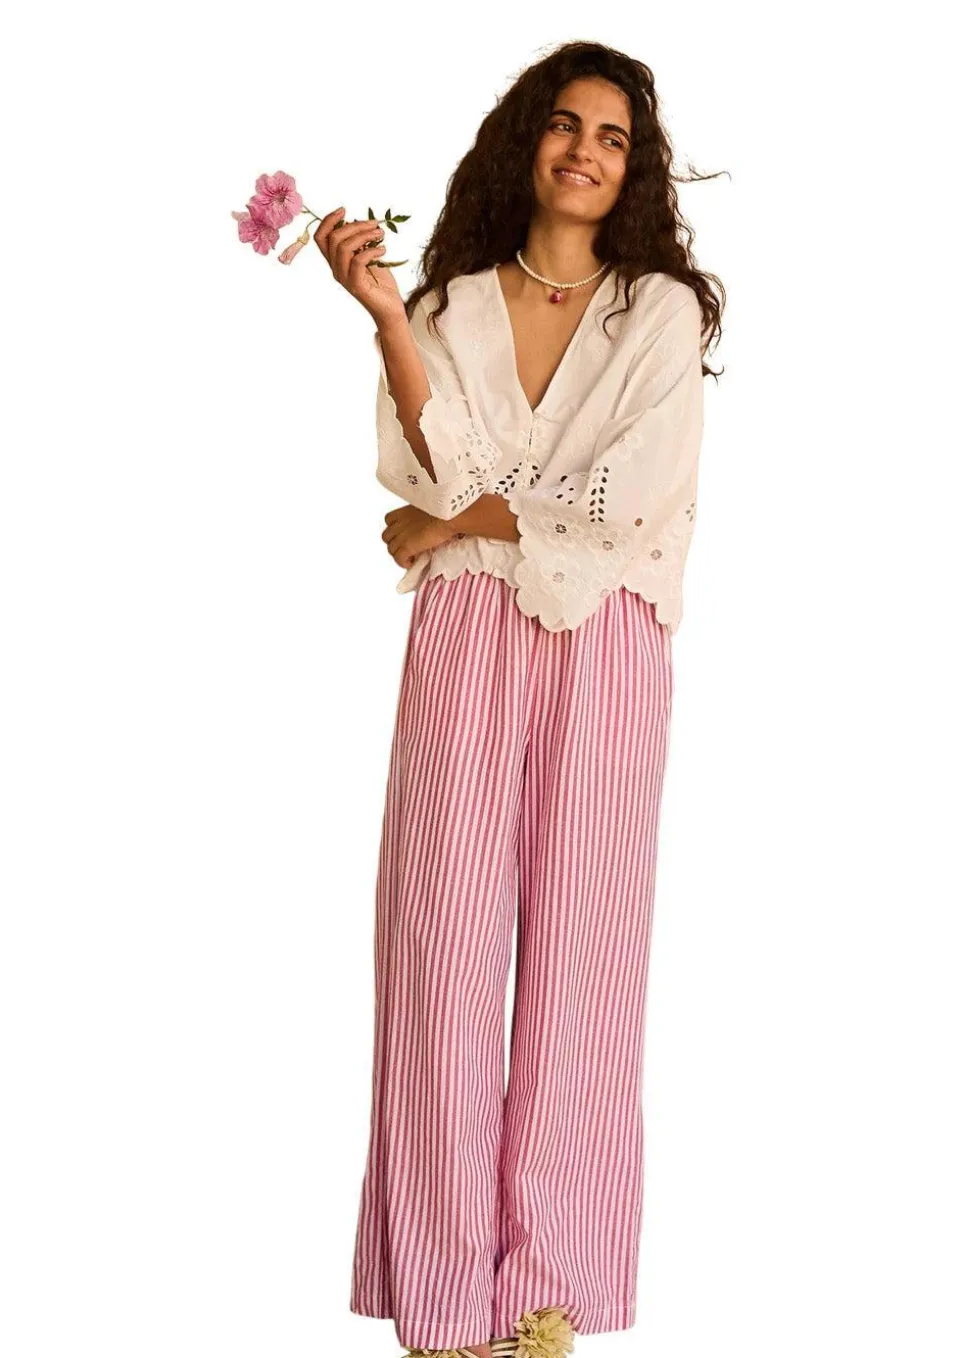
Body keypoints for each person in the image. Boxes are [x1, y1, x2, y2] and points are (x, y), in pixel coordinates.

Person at [314, 38, 724, 1358]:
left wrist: (453, 523)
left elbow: (625, 499)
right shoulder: (450, 307)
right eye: (564, 124)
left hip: (608, 638)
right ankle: (443, 1308)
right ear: (525, 140)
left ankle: (546, 1298)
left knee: (582, 963)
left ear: (634, 166)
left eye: (612, 135)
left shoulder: (658, 314)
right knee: (437, 949)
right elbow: (432, 466)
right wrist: (387, 317)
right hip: (465, 634)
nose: (584, 151)